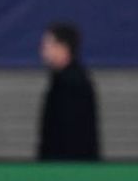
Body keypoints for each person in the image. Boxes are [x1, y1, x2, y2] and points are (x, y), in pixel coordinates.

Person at [38, 22, 100, 161]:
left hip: (70, 166)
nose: (43, 50)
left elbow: (72, 133)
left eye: (47, 44)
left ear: (63, 48)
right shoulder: (60, 80)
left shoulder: (73, 83)